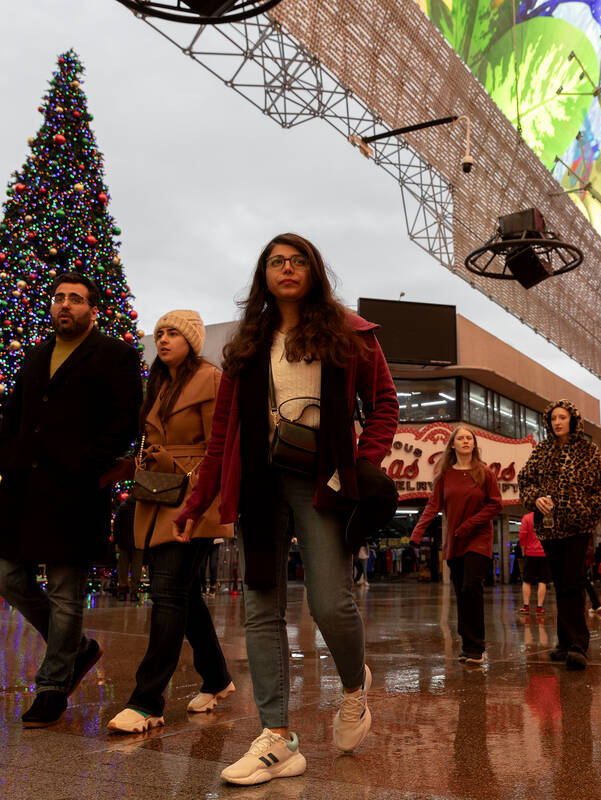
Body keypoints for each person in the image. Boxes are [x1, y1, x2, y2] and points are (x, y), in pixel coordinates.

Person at [173, 233, 398, 785]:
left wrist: (356, 466)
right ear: (264, 275)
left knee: (330, 604)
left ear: (314, 272)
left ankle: (353, 690)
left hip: (322, 483)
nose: (287, 269)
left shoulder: (349, 334)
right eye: (277, 262)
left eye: (298, 261)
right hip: (259, 484)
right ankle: (277, 738)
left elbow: (385, 407)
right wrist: (197, 499)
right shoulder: (249, 344)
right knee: (261, 607)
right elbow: (223, 432)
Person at [0, 272, 142, 729]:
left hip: (74, 490)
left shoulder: (116, 354)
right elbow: (13, 413)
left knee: (64, 592)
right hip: (24, 489)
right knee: (8, 580)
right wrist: (7, 455)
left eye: (75, 299)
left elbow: (126, 419)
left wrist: (87, 464)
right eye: (59, 298)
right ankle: (76, 650)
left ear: (91, 309)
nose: (65, 305)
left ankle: (53, 686)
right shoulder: (36, 355)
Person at [107, 309, 236, 734]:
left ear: (192, 340)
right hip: (159, 495)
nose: (162, 340)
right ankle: (217, 678)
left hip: (195, 500)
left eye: (173, 334)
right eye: (159, 333)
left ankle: (147, 701)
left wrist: (184, 473)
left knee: (167, 594)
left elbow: (219, 446)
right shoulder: (158, 384)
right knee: (182, 594)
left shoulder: (210, 379)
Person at [517, 400, 601, 671]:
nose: (557, 422)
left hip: (577, 529)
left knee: (572, 582)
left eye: (562, 417)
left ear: (573, 420)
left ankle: (578, 646)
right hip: (549, 529)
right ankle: (563, 643)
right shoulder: (543, 451)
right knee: (560, 584)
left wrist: (584, 512)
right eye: (553, 418)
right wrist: (535, 498)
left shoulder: (588, 450)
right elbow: (525, 481)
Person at [410, 426, 504, 664]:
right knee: (461, 593)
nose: (465, 441)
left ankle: (477, 647)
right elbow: (433, 506)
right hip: (455, 542)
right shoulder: (445, 476)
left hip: (479, 540)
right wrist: (417, 531)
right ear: (452, 444)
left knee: (471, 587)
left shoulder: (485, 473)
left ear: (474, 444)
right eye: (460, 438)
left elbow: (495, 505)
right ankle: (468, 646)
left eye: (468, 438)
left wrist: (469, 524)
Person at [516, 510, 549, 616]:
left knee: (526, 581)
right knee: (542, 580)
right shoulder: (548, 517)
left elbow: (522, 535)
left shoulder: (527, 517)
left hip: (530, 553)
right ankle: (539, 608)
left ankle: (526, 606)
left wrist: (523, 549)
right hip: (544, 553)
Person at [111, 498, 142, 601]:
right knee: (136, 569)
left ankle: (122, 592)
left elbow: (116, 525)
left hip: (123, 543)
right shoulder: (141, 508)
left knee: (122, 569)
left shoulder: (122, 507)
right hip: (138, 543)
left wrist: (116, 541)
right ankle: (134, 593)